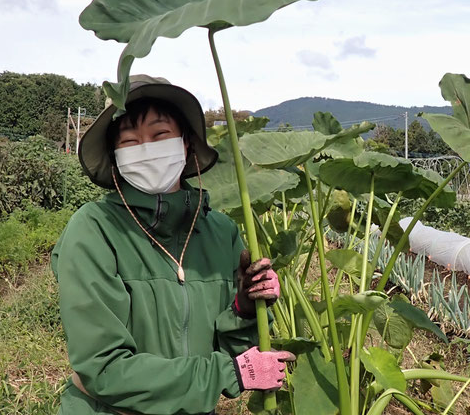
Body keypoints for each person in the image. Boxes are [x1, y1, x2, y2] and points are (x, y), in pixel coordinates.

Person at [51, 75, 295, 415]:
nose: (146, 148)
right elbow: (103, 369)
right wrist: (228, 373)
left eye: (160, 135)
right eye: (129, 141)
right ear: (115, 156)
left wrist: (243, 310)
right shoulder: (94, 229)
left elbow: (237, 350)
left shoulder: (220, 231)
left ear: (186, 143)